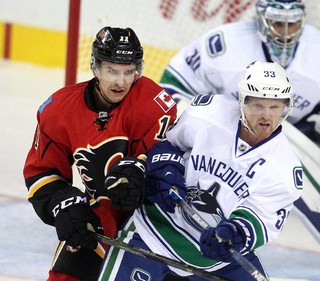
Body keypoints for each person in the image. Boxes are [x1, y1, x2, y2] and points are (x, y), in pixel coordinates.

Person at [159, 0, 320, 277]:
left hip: (288, 137)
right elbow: (174, 84)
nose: (285, 32)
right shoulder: (225, 43)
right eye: (278, 23)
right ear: (261, 20)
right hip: (228, 128)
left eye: (292, 24)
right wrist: (199, 119)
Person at [98, 60, 303, 280]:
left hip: (214, 259)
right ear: (242, 102)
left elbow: (260, 217)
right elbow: (167, 144)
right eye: (258, 106)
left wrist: (235, 234)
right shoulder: (208, 113)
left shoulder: (285, 168)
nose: (266, 116)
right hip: (153, 231)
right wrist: (166, 170)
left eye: (275, 107)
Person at [23, 26, 177, 281]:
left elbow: (165, 163)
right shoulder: (59, 111)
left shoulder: (152, 103)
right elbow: (42, 172)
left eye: (129, 71)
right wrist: (63, 205)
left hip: (156, 217)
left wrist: (137, 172)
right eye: (112, 70)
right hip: (102, 211)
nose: (121, 81)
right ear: (95, 68)